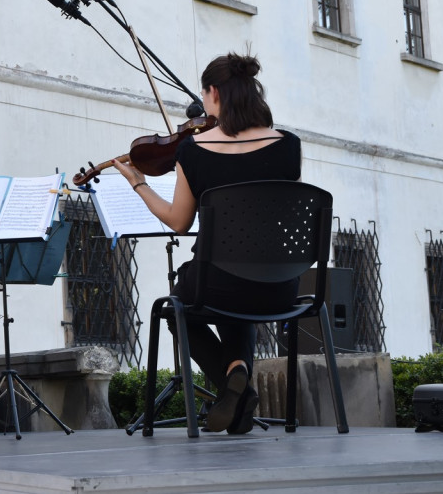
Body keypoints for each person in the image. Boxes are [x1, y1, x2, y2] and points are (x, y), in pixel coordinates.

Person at [112, 52, 301, 435]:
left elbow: (179, 222)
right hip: (282, 287)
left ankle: (239, 389)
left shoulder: (194, 151)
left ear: (213, 93)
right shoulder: (289, 145)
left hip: (218, 283)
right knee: (241, 290)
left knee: (180, 308)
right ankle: (238, 371)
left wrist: (138, 183)